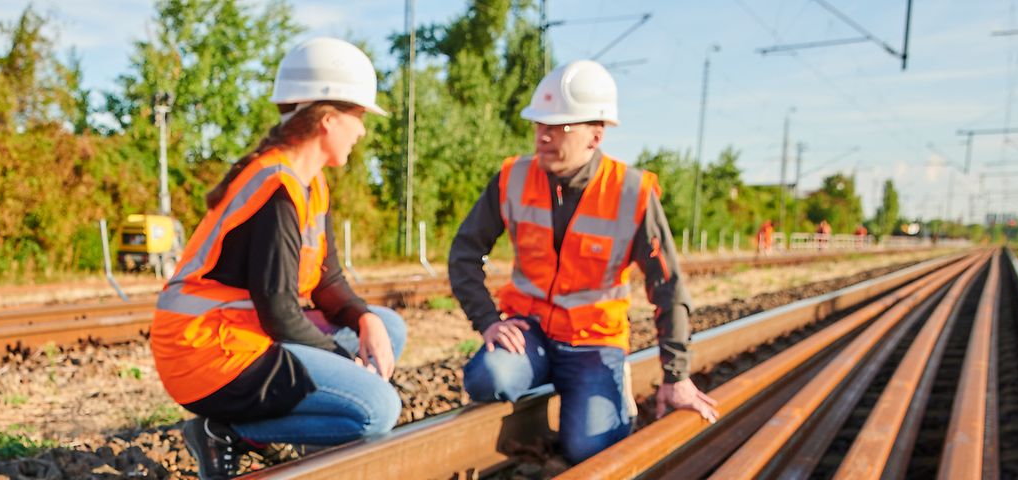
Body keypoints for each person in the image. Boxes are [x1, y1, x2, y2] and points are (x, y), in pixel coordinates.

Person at [149, 37, 406, 479]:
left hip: (246, 336)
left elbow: (328, 283)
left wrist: (365, 319)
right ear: (328, 120)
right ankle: (225, 433)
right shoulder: (275, 190)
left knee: (388, 328)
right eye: (358, 117)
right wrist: (348, 366)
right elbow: (281, 313)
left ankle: (314, 455)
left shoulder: (310, 183)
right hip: (207, 354)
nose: (362, 130)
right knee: (376, 409)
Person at [446, 60, 718, 463]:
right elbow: (464, 252)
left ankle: (601, 398)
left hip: (594, 342)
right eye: (540, 125)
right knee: (488, 378)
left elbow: (668, 287)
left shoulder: (632, 192)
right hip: (532, 331)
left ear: (596, 133)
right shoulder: (513, 178)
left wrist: (675, 375)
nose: (543, 137)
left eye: (559, 128)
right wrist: (488, 321)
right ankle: (557, 392)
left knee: (590, 452)